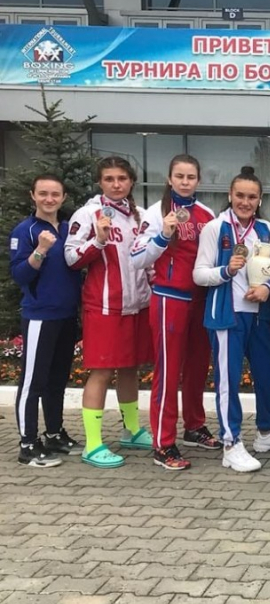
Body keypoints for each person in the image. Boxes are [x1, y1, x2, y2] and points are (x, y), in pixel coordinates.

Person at [193, 166, 270, 472]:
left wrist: (267, 287)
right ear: (230, 195)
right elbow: (199, 274)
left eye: (251, 197)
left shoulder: (265, 229)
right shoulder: (215, 228)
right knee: (228, 381)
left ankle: (266, 432)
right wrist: (226, 270)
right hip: (227, 316)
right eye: (240, 195)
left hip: (259, 316)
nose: (245, 201)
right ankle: (231, 443)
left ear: (260, 199)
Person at [131, 154, 219, 471]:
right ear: (170, 179)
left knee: (197, 367)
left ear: (198, 180)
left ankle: (194, 426)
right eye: (179, 176)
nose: (184, 182)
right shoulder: (156, 212)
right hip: (170, 298)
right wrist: (163, 235)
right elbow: (137, 258)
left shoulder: (207, 214)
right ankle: (163, 443)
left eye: (190, 177)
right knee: (168, 372)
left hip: (201, 298)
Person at [65, 156, 154, 468]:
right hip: (104, 306)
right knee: (102, 372)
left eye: (122, 178)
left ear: (131, 181)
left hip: (138, 304)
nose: (116, 184)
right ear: (100, 182)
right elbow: (71, 258)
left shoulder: (139, 215)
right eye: (109, 179)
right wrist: (98, 241)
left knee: (130, 367)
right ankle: (92, 444)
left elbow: (146, 259)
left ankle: (131, 430)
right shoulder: (88, 213)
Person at [9, 175, 83, 467]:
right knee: (33, 381)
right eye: (43, 193)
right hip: (40, 315)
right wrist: (40, 251)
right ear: (33, 196)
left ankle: (53, 434)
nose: (49, 199)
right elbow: (20, 275)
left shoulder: (67, 229)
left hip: (67, 315)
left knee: (57, 379)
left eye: (55, 194)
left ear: (63, 198)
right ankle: (27, 444)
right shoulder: (25, 231)